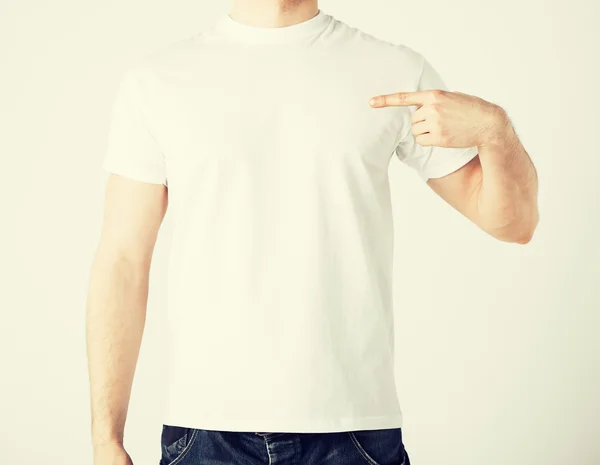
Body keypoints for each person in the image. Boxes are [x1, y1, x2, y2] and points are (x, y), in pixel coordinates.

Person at [86, 1, 539, 464]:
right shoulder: (158, 81)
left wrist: (494, 128)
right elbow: (123, 260)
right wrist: (106, 437)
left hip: (354, 434)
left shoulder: (394, 70)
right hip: (208, 432)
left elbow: (514, 224)